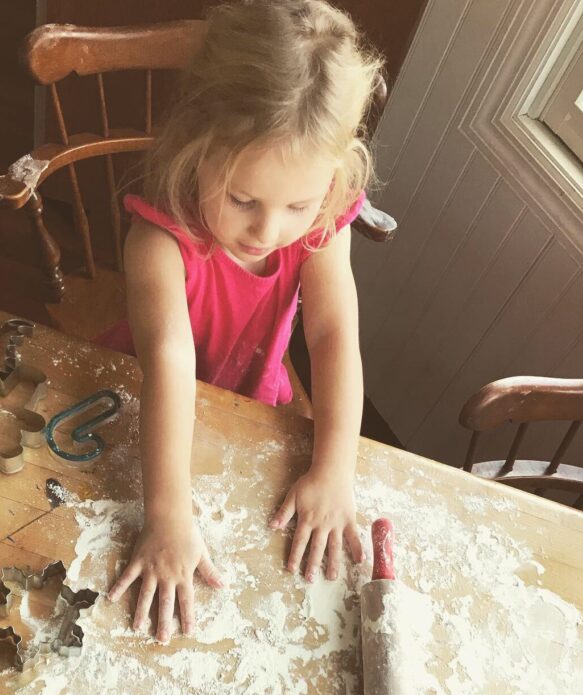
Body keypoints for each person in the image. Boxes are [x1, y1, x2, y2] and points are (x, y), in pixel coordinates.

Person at [97, 0, 383, 642]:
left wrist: (335, 468)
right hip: (148, 401)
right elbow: (169, 361)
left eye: (298, 205)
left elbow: (333, 334)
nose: (268, 230)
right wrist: (167, 513)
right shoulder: (158, 240)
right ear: (195, 146)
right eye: (243, 199)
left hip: (251, 396)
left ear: (331, 183)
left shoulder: (323, 220)